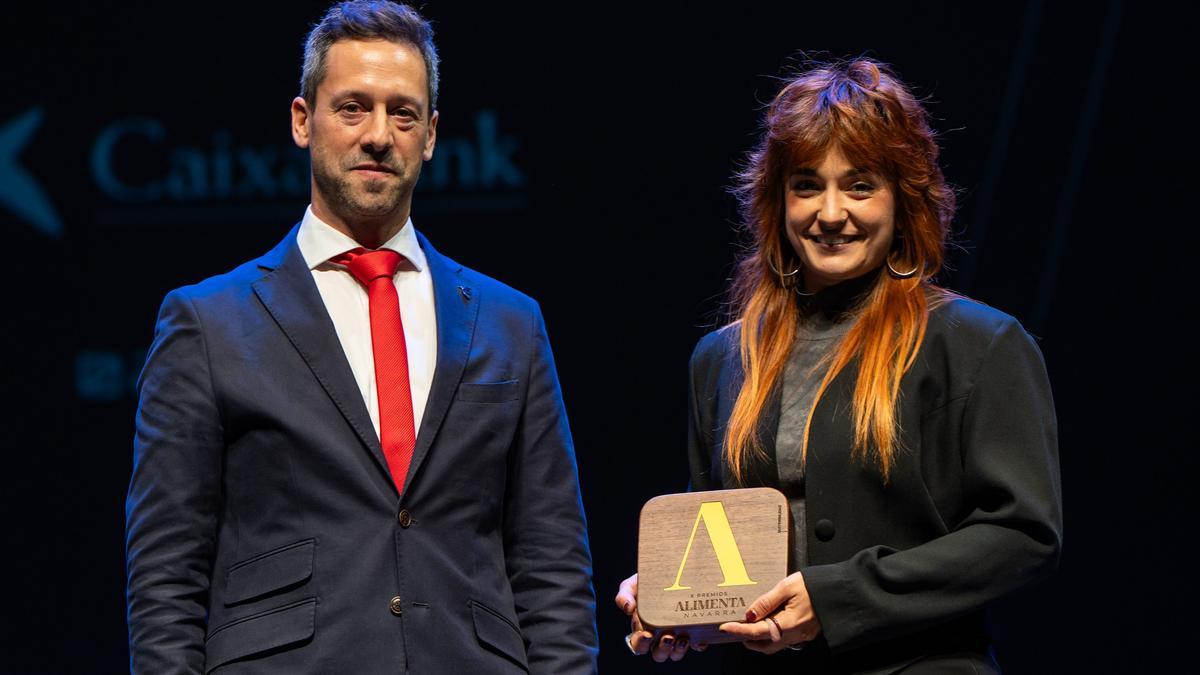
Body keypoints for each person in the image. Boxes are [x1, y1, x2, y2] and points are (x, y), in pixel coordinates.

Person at [125, 2, 597, 673]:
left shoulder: (509, 321)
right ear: (301, 120)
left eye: (402, 113)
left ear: (431, 134)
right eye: (352, 107)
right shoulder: (207, 322)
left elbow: (552, 562)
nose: (379, 134)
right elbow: (166, 574)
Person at [616, 58, 1062, 673]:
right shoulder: (720, 358)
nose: (829, 213)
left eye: (859, 185)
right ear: (778, 201)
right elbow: (716, 540)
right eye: (806, 185)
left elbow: (1023, 535)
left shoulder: (976, 344)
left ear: (903, 200)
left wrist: (838, 598)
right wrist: (670, 600)